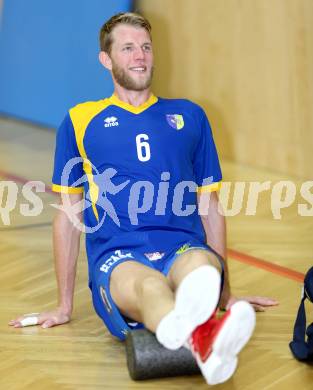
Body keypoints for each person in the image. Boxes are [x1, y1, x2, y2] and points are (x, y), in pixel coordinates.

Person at [9, 12, 278, 385]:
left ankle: (199, 334)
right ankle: (205, 337)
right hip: (119, 256)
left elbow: (210, 208)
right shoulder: (80, 120)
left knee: (202, 268)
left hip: (181, 245)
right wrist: (64, 305)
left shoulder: (189, 116)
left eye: (146, 47)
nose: (140, 56)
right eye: (128, 48)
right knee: (150, 286)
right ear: (107, 59)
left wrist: (225, 293)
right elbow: (69, 215)